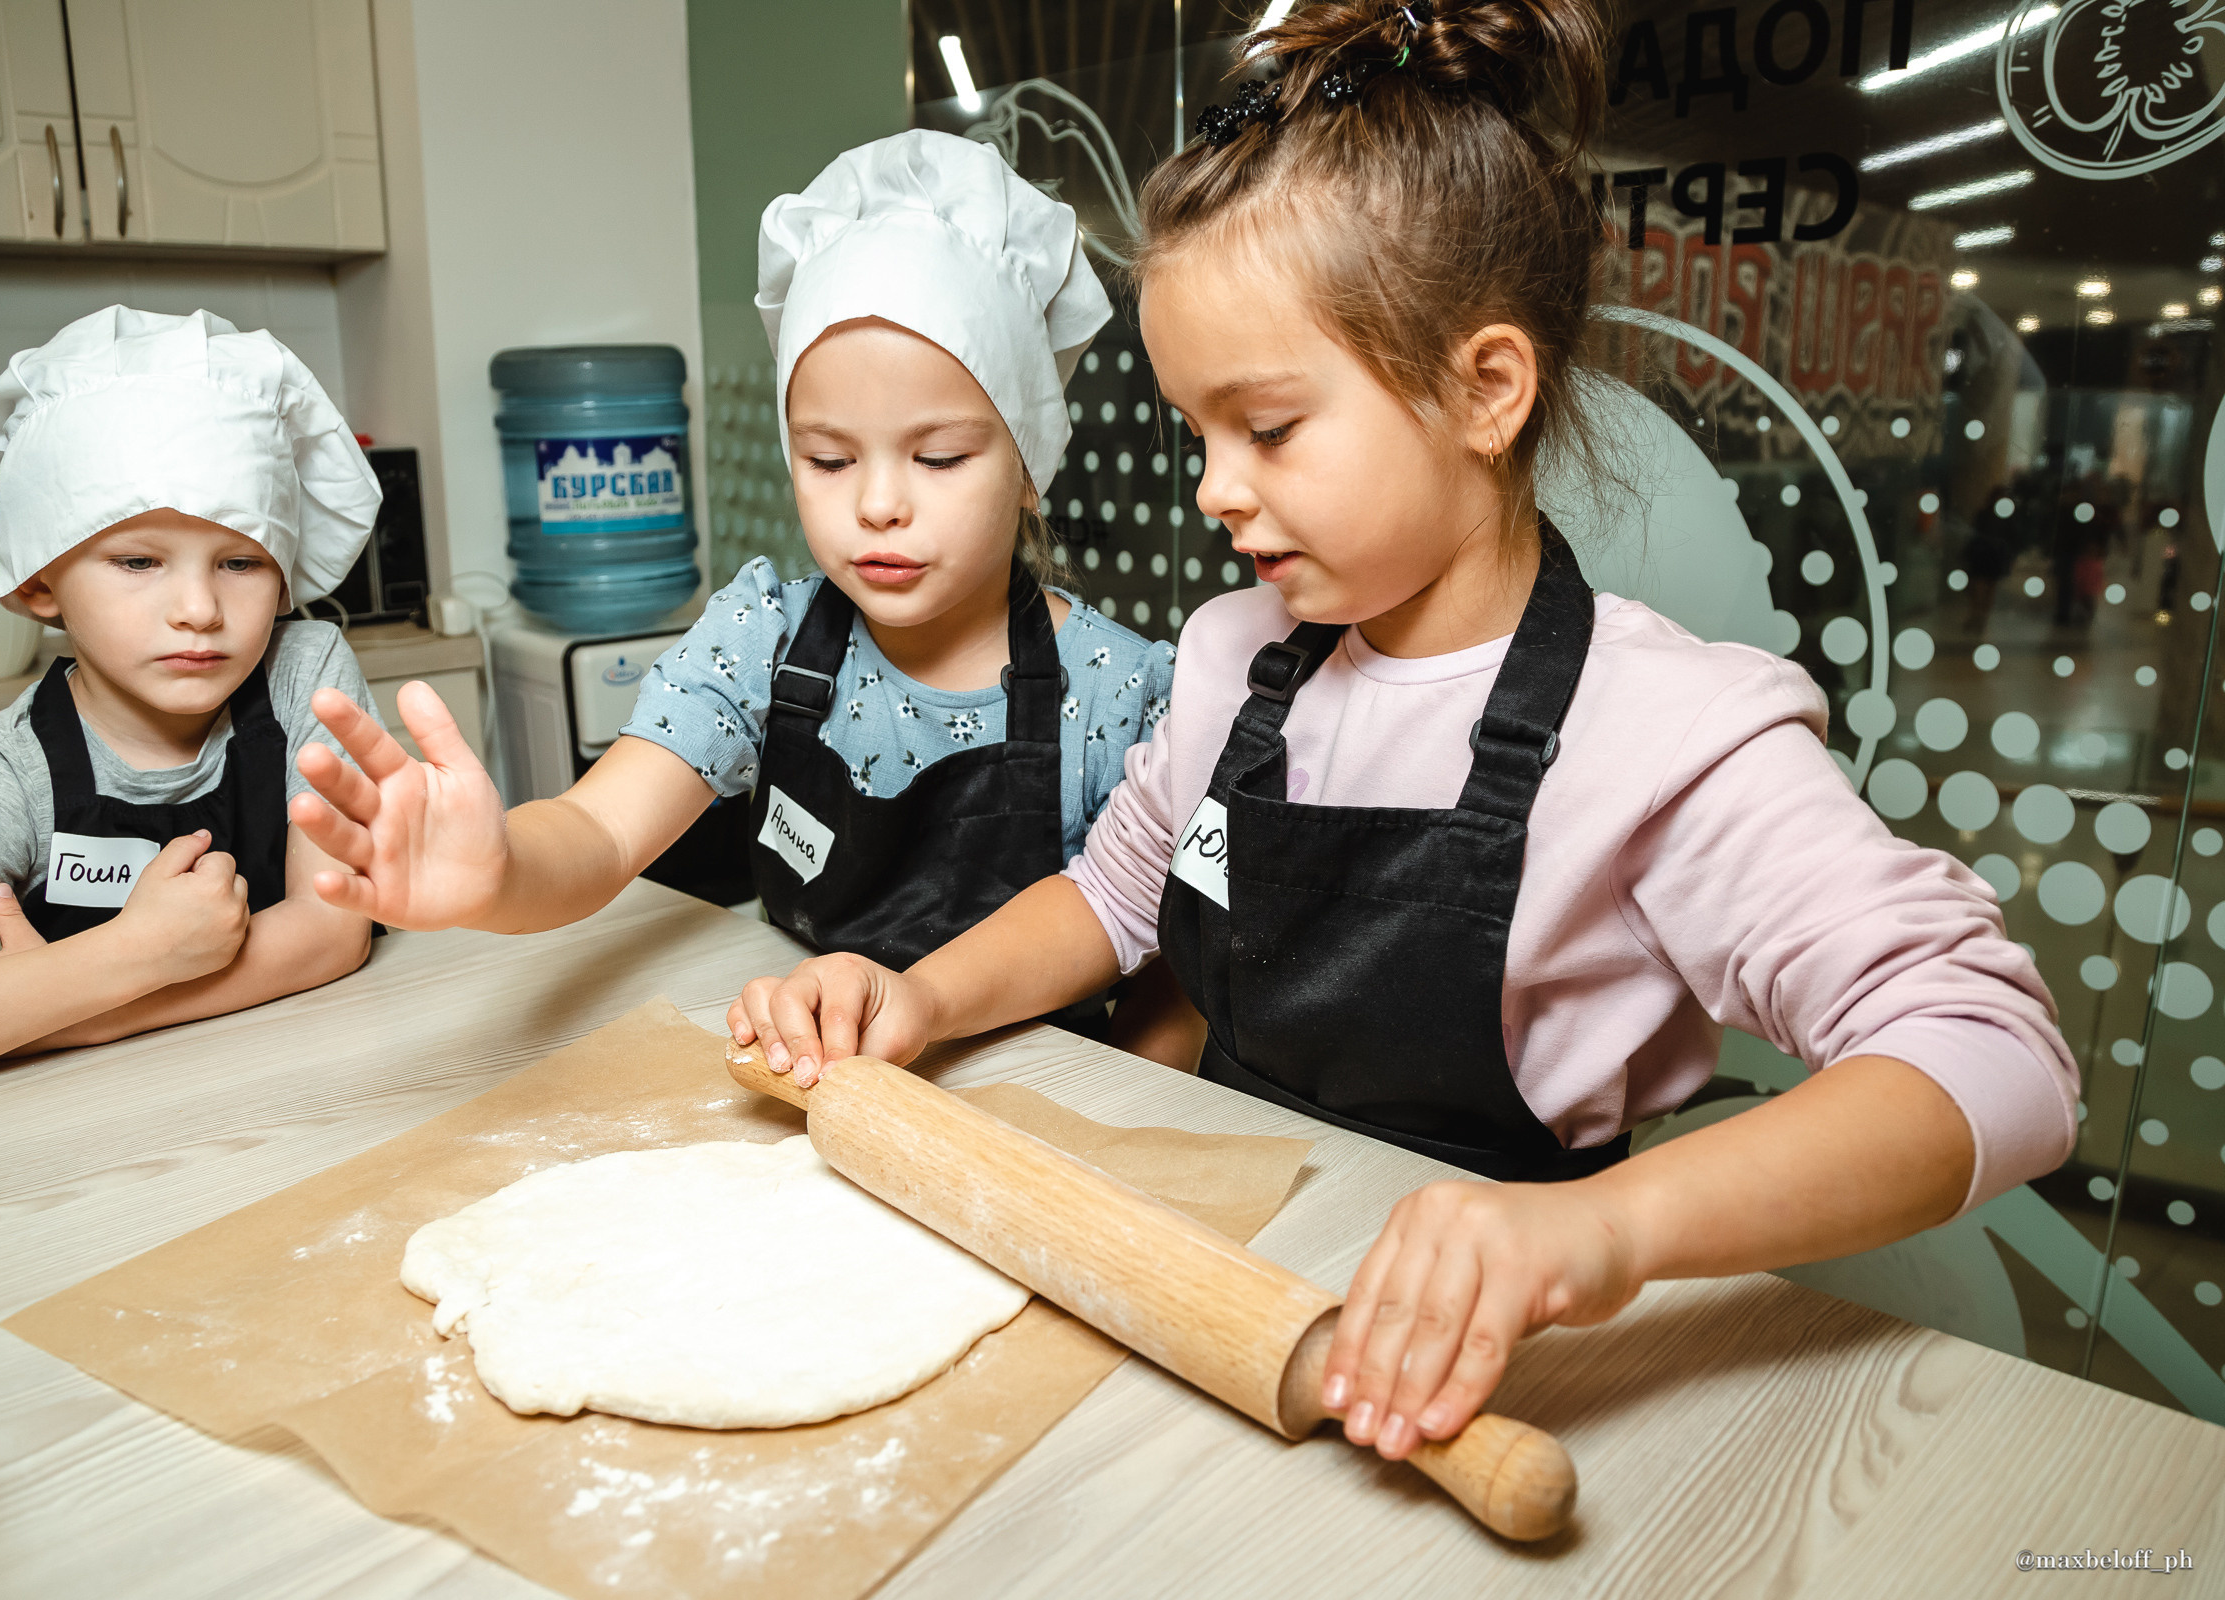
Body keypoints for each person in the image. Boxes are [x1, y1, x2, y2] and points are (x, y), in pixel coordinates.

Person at [729, 1, 2076, 1464]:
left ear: (1484, 390)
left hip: (1482, 1363)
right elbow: (1115, 894)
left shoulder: (1660, 731)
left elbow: (1991, 1050)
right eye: (1198, 433)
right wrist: (919, 998)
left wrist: (1597, 1234)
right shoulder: (1234, 658)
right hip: (1222, 1290)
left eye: (1268, 429)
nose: (1215, 490)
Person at [289, 131, 1176, 1039]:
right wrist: (502, 871)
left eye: (939, 457)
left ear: (1030, 464)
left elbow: (1167, 967)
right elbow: (602, 833)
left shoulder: (1122, 696)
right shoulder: (763, 641)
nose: (878, 505)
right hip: (814, 1062)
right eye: (828, 459)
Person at [0, 307, 384, 1102]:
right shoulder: (14, 770)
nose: (199, 609)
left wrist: (73, 1013)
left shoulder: (305, 673)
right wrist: (131, 955)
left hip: (318, 1087)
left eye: (240, 561)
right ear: (39, 581)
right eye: (137, 561)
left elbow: (332, 931)